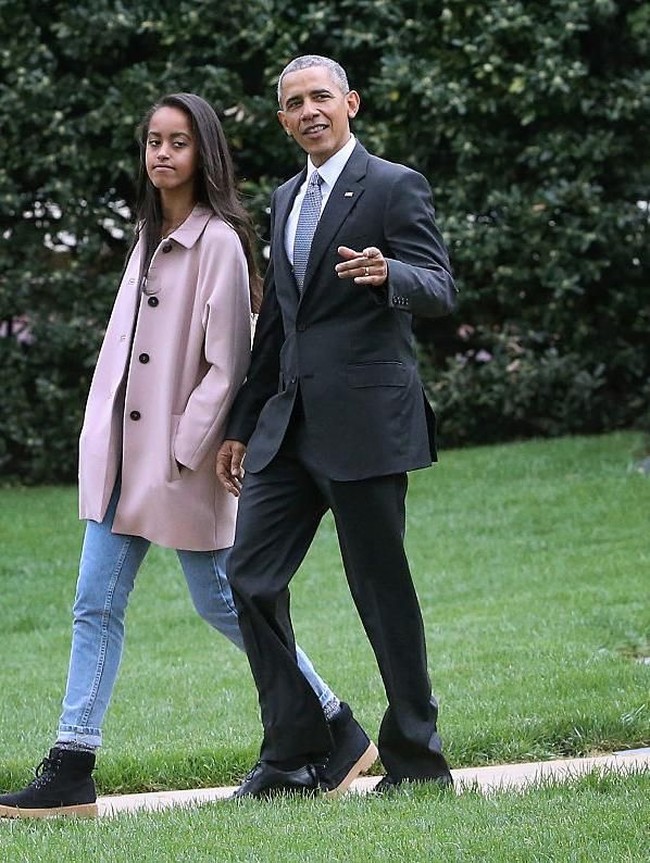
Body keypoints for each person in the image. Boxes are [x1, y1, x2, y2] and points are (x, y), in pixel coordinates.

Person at [0, 92, 376, 819]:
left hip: (179, 464)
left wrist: (181, 448)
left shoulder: (220, 244)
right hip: (119, 462)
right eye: (152, 142)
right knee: (94, 603)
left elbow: (228, 364)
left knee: (226, 602)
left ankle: (335, 722)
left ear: (205, 152)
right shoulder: (146, 236)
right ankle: (72, 762)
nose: (162, 154)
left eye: (178, 142)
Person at [216, 55, 458, 799]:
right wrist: (241, 423)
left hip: (366, 427)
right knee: (247, 579)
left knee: (382, 592)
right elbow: (279, 326)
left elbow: (441, 286)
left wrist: (393, 274)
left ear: (350, 101)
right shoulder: (287, 198)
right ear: (284, 119)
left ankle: (417, 759)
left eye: (321, 96)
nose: (309, 110)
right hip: (288, 431)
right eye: (294, 103)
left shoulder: (392, 185)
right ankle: (295, 754)